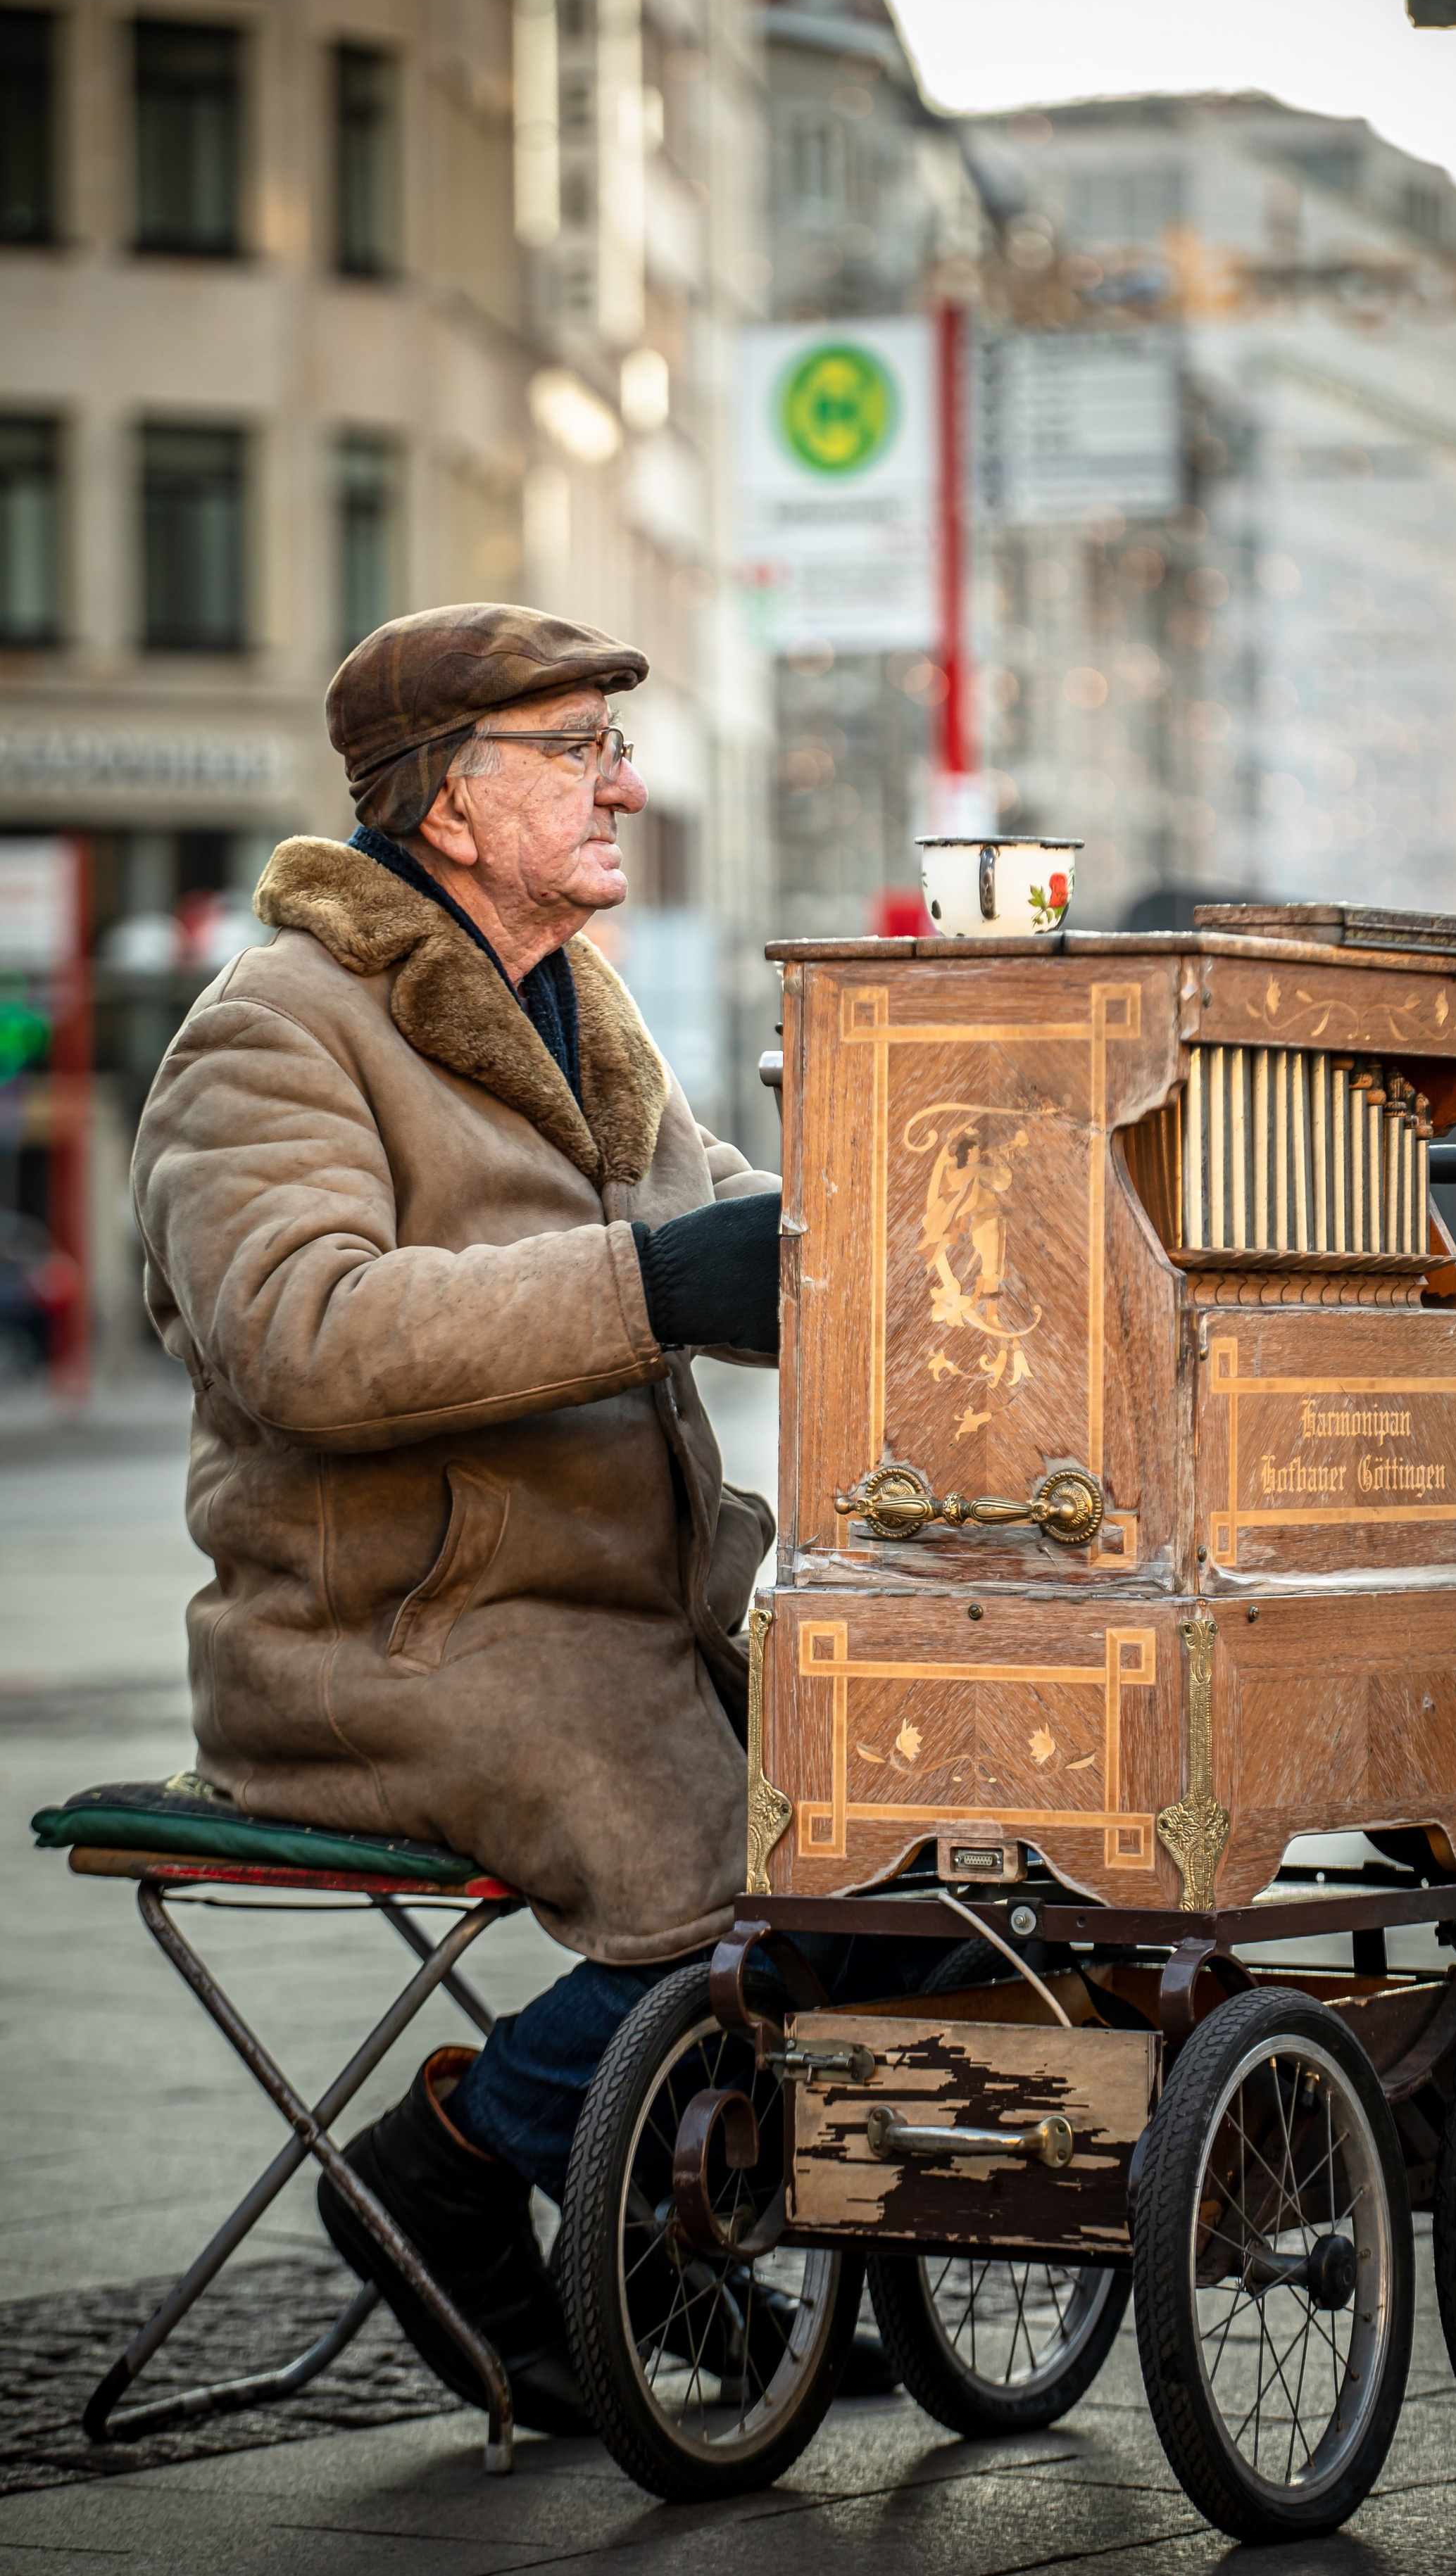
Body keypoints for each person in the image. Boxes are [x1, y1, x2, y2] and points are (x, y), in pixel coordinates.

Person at [131, 605, 794, 2433]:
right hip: (387, 1643)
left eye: (614, 738)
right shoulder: (271, 1028)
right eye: (575, 744)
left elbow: (722, 1216)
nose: (624, 779)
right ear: (445, 805)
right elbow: (304, 1336)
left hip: (609, 1616)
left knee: (940, 1816)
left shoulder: (582, 1006)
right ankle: (451, 2156)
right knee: (768, 1876)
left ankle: (672, 2248)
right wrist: (652, 1287)